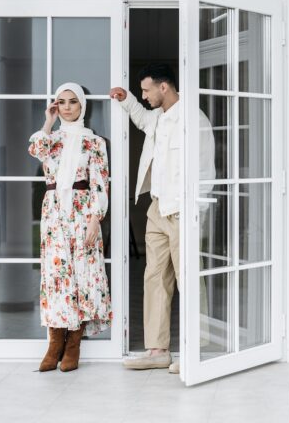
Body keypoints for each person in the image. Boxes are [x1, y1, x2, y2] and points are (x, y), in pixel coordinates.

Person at [111, 64, 215, 372]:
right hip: (157, 208)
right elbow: (142, 118)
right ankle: (158, 350)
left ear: (164, 88)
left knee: (188, 278)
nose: (144, 96)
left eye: (146, 91)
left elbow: (206, 170)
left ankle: (193, 351)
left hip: (183, 209)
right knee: (154, 278)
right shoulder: (157, 116)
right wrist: (125, 98)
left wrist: (196, 211)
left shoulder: (194, 120)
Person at [28, 82, 112, 372]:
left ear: (82, 106)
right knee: (56, 276)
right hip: (54, 214)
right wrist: (48, 121)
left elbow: (101, 183)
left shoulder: (94, 142)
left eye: (72, 102)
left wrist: (94, 219)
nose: (66, 107)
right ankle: (54, 343)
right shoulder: (51, 139)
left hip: (82, 213)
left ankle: (74, 342)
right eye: (61, 102)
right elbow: (36, 149)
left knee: (81, 276)